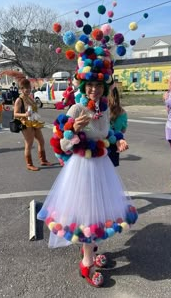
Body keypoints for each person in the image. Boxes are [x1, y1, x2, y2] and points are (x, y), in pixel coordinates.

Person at [37, 45, 138, 288]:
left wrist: (119, 139)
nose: (94, 89)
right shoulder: (76, 109)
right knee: (86, 214)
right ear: (83, 86)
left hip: (101, 166)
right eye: (90, 85)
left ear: (104, 87)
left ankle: (91, 251)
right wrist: (75, 130)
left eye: (98, 85)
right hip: (82, 169)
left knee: (100, 210)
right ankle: (86, 263)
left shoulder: (103, 108)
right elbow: (62, 144)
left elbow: (108, 133)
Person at [13, 78, 52, 171]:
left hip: (34, 122)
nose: (28, 89)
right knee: (29, 144)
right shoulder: (19, 100)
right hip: (26, 124)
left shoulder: (29, 98)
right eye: (26, 88)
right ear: (21, 89)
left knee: (41, 141)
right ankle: (29, 164)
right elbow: (15, 114)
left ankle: (43, 160)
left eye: (29, 88)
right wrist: (25, 114)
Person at [108, 86, 128, 166]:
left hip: (104, 142)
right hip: (115, 143)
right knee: (111, 170)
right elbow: (123, 130)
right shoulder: (123, 112)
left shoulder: (103, 110)